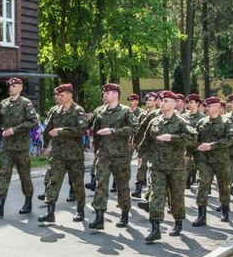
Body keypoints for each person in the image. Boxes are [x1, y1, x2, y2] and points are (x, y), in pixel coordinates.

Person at [137, 91, 197, 243]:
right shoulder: (155, 121)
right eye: (161, 101)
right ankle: (155, 228)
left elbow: (193, 138)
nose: (162, 103)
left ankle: (178, 222)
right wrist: (140, 155)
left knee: (176, 196)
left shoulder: (181, 121)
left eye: (166, 101)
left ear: (174, 104)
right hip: (157, 166)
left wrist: (173, 138)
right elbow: (147, 140)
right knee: (156, 195)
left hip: (176, 166)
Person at [0, 77, 39, 217]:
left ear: (20, 88)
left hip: (21, 147)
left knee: (24, 176)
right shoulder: (4, 103)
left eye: (14, 86)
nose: (11, 88)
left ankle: (28, 202)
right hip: (6, 147)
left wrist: (14, 130)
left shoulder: (25, 104)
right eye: (9, 86)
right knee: (3, 174)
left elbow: (33, 121)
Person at [89, 83, 137, 231]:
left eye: (107, 92)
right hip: (104, 154)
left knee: (122, 185)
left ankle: (124, 213)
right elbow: (95, 130)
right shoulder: (100, 111)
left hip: (120, 155)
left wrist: (113, 130)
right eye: (103, 93)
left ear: (115, 94)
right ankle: (99, 217)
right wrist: (95, 149)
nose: (104, 95)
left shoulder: (126, 111)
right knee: (100, 184)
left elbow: (134, 128)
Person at [39, 83, 87, 223]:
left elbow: (81, 130)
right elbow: (48, 129)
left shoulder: (78, 111)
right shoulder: (55, 111)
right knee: (53, 182)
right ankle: (50, 212)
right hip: (58, 154)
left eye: (62, 95)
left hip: (74, 155)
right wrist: (45, 145)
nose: (59, 97)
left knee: (78, 183)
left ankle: (80, 210)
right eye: (58, 95)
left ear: (70, 95)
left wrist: (61, 131)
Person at [189, 96, 233, 226]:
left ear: (218, 108)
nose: (208, 108)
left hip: (221, 160)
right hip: (204, 160)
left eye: (211, 106)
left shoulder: (227, 122)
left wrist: (211, 145)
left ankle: (225, 209)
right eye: (207, 106)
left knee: (223, 185)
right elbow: (195, 139)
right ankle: (201, 215)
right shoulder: (202, 122)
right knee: (202, 184)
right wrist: (189, 154)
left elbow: (229, 139)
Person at [131, 92, 159, 199]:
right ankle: (138, 189)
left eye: (150, 100)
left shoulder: (159, 114)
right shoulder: (142, 114)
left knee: (154, 168)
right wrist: (134, 142)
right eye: (147, 99)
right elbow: (138, 129)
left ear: (156, 101)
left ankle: (151, 192)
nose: (147, 101)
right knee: (141, 166)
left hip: (156, 146)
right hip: (144, 145)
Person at [182, 94, 205, 189]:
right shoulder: (183, 117)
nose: (189, 104)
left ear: (197, 103)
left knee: (201, 169)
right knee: (183, 169)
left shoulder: (203, 118)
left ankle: (202, 190)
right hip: (186, 147)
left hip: (198, 147)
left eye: (191, 102)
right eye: (188, 102)